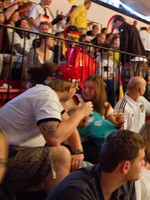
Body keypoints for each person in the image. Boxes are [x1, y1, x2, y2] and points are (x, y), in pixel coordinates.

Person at [0, 64, 93, 194]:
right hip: (6, 156)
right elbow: (54, 138)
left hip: (14, 153)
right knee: (61, 154)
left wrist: (78, 151)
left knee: (82, 166)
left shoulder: (47, 94)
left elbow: (67, 123)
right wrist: (79, 114)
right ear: (71, 88)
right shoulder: (46, 97)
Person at [47, 130, 146, 200]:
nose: (143, 163)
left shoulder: (126, 182)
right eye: (140, 160)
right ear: (125, 167)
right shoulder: (76, 193)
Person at [68, 75, 120, 164]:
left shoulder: (104, 105)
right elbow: (69, 123)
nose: (85, 91)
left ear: (98, 91)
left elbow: (114, 122)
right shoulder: (75, 100)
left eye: (90, 88)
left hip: (96, 144)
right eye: (84, 87)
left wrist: (120, 122)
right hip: (77, 145)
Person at [112, 15, 146, 81]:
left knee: (128, 80)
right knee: (137, 81)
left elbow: (124, 43)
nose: (114, 26)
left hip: (131, 57)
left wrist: (122, 59)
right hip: (141, 56)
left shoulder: (123, 27)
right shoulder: (133, 27)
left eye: (114, 23)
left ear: (118, 21)